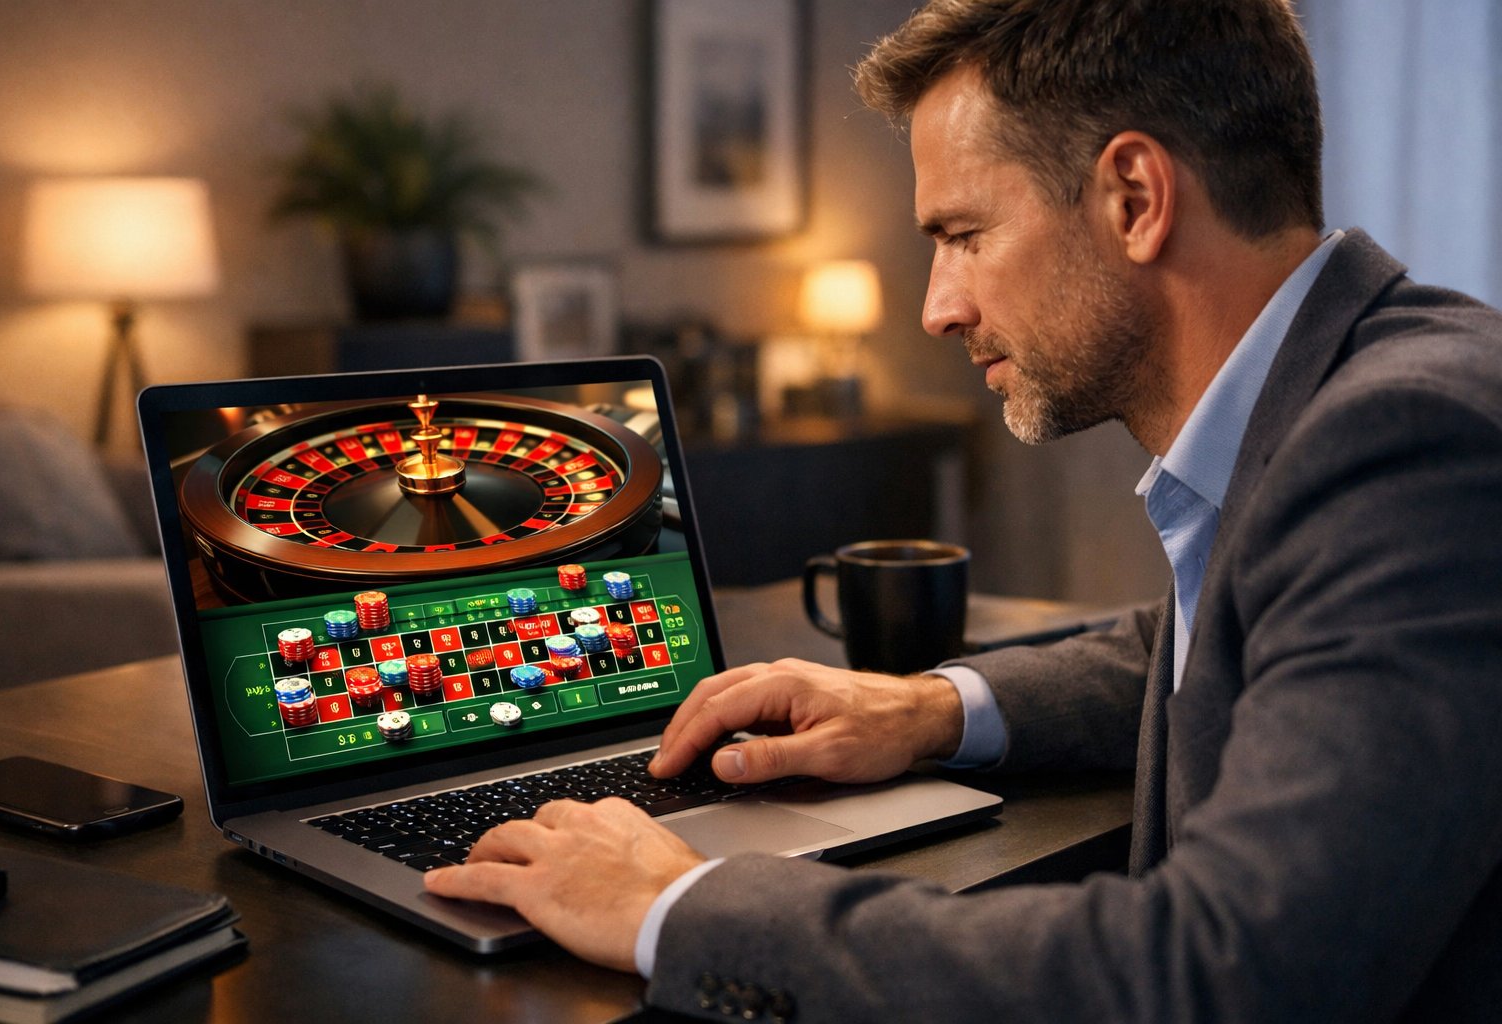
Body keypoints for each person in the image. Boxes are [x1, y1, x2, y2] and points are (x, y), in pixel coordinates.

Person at [425, 0, 1502, 1018]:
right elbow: (1215, 641)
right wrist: (928, 708)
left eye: (964, 234)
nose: (940, 308)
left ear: (1135, 197)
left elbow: (1218, 977)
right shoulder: (1357, 397)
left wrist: (677, 905)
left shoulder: (1407, 444)